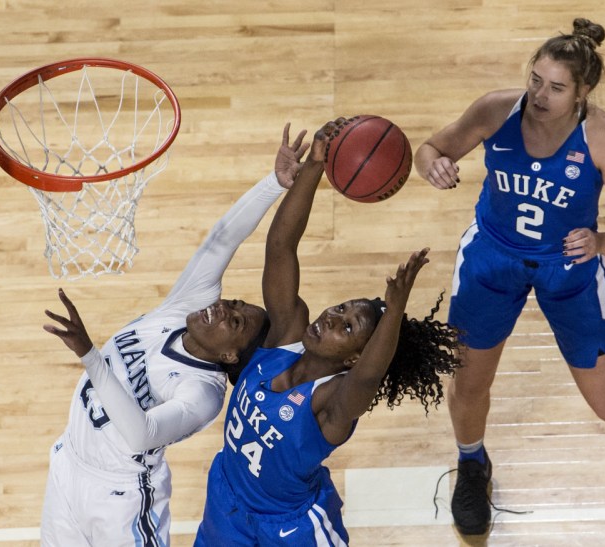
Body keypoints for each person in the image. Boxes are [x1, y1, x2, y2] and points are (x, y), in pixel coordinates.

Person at [415, 18, 605, 536]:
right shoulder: (495, 109)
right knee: (468, 384)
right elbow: (430, 149)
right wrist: (434, 165)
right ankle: (471, 463)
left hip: (568, 269)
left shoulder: (602, 134)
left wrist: (602, 243)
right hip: (492, 258)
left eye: (555, 87)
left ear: (582, 93)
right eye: (535, 80)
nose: (539, 95)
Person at [39, 123, 310, 547]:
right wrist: (274, 183)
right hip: (69, 465)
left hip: (122, 500)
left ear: (229, 356)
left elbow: (143, 433)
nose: (224, 308)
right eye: (235, 303)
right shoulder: (186, 307)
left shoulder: (203, 393)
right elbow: (223, 239)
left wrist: (89, 355)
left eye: (234, 322)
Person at [193, 120, 461, 546]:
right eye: (340, 309)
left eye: (348, 326)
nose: (333, 318)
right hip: (227, 503)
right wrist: (315, 166)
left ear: (355, 356)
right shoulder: (283, 339)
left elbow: (371, 376)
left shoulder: (331, 404)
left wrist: (394, 312)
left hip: (290, 531)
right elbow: (280, 247)